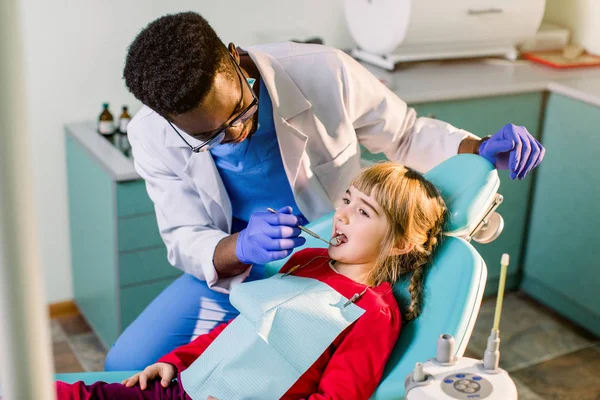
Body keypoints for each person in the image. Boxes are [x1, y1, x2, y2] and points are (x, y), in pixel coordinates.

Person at [106, 11, 545, 370]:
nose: (235, 135)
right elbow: (184, 238)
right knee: (127, 365)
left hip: (329, 266)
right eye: (211, 137)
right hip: (238, 267)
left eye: (240, 112)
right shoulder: (151, 134)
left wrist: (480, 147)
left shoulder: (323, 71)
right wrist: (243, 245)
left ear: (237, 60)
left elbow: (406, 135)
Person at [57, 162, 446, 399]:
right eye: (346, 199)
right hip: (182, 384)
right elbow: (238, 328)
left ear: (399, 244)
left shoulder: (373, 314)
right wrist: (175, 361)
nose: (341, 215)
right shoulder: (308, 260)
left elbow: (336, 397)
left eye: (363, 211)